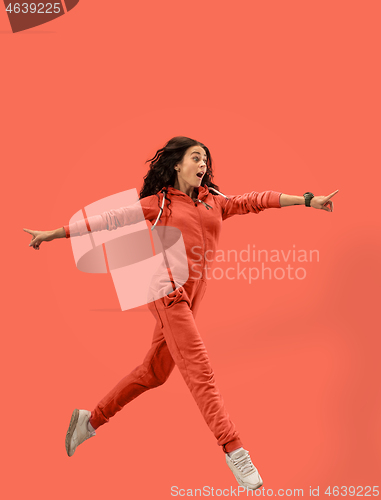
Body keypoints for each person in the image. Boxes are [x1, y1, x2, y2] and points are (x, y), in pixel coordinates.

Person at [23, 136, 338, 491]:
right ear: (177, 164)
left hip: (192, 299)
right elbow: (107, 220)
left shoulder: (214, 202)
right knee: (200, 369)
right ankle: (234, 449)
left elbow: (255, 200)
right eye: (195, 157)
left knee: (154, 373)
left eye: (205, 159)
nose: (203, 164)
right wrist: (55, 233)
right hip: (165, 293)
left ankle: (90, 421)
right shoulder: (157, 204)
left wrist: (307, 200)